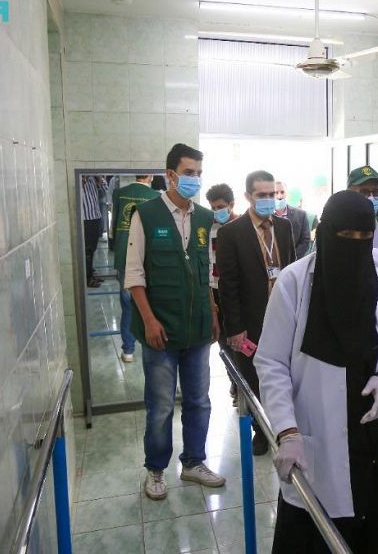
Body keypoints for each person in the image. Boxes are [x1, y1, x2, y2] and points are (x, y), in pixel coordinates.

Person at [256, 191, 378, 553]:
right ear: (324, 232)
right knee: (321, 534)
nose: (356, 246)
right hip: (321, 434)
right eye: (346, 237)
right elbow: (270, 362)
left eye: (365, 237)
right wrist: (287, 431)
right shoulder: (294, 283)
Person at [124, 143, 226, 500]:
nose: (194, 179)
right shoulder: (146, 215)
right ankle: (155, 469)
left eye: (198, 173)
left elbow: (208, 274)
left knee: (199, 400)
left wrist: (213, 313)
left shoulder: (203, 218)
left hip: (197, 329)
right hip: (160, 331)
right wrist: (149, 321)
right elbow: (134, 275)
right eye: (188, 173)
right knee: (162, 405)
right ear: (170, 175)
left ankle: (194, 462)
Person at [216, 170, 296, 455]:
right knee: (253, 376)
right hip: (250, 320)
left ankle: (284, 426)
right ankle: (261, 432)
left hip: (284, 317)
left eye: (272, 195)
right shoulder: (231, 233)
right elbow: (229, 284)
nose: (268, 200)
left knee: (283, 374)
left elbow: (291, 272)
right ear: (248, 196)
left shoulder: (285, 227)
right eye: (261, 195)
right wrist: (235, 329)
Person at [112, 174, 158, 363]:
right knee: (150, 303)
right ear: (151, 176)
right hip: (147, 257)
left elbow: (115, 223)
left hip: (124, 254)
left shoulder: (119, 193)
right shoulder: (156, 196)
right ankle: (151, 343)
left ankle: (128, 350)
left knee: (128, 304)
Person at [206, 183, 239, 405]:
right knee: (223, 342)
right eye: (213, 207)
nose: (217, 211)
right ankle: (235, 383)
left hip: (237, 292)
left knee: (240, 341)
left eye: (221, 206)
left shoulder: (242, 226)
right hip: (215, 291)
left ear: (231, 204)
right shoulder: (209, 227)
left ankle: (245, 383)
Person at [273, 181, 311, 260]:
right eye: (276, 193)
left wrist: (292, 257)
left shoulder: (301, 215)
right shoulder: (265, 217)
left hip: (294, 262)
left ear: (287, 194)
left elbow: (305, 240)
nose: (279, 196)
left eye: (282, 192)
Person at [81, 175, 107, 288]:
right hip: (86, 220)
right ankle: (87, 278)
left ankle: (91, 274)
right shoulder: (80, 179)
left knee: (93, 249)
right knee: (87, 250)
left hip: (96, 217)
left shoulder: (93, 179)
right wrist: (83, 180)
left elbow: (106, 191)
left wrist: (99, 179)